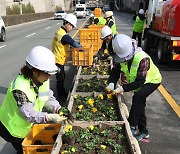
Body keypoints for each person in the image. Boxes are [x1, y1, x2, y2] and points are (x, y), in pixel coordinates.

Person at [0, 46, 71, 154]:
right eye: (47, 72)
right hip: (11, 128)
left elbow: (46, 97)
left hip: (25, 125)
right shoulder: (20, 88)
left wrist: (58, 108)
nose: (49, 76)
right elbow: (28, 114)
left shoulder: (42, 79)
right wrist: (48, 117)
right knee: (23, 149)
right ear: (34, 71)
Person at [105, 34, 162, 141]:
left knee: (138, 98)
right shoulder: (121, 56)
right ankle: (144, 131)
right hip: (139, 82)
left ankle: (132, 126)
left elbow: (140, 82)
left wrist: (122, 88)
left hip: (152, 80)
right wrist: (111, 83)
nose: (123, 60)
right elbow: (115, 71)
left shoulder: (142, 59)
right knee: (139, 103)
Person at [52, 14, 82, 102]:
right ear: (67, 24)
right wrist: (83, 49)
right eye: (72, 26)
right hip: (59, 60)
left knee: (61, 77)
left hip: (56, 58)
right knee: (60, 79)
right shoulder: (65, 36)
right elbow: (75, 44)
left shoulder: (59, 32)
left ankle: (63, 93)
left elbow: (63, 44)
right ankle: (60, 97)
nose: (72, 28)